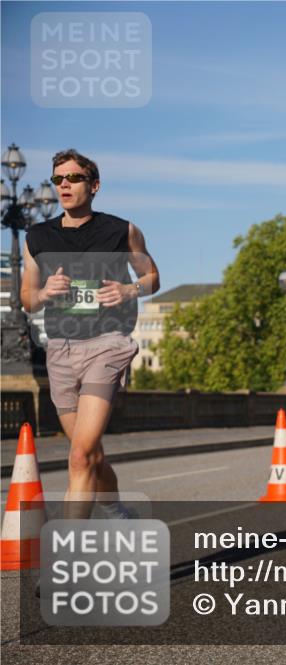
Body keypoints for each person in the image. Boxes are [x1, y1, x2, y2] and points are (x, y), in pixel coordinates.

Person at [21, 149, 160, 520]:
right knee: (91, 453)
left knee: (79, 455)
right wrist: (45, 292)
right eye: (58, 179)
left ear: (94, 185)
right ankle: (115, 508)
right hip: (61, 349)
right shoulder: (37, 237)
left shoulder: (122, 230)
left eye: (73, 178)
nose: (64, 184)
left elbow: (152, 278)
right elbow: (27, 299)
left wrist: (129, 290)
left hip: (108, 345)